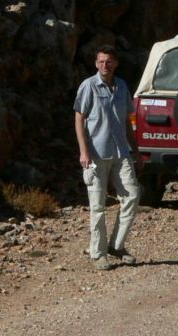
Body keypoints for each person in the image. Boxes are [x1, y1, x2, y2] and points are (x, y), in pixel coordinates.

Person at [74, 45, 140, 270]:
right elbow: (79, 119)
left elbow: (128, 121)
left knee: (132, 196)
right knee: (98, 206)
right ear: (96, 64)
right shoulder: (88, 86)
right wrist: (83, 151)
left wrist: (136, 149)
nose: (105, 65)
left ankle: (117, 245)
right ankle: (98, 253)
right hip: (96, 154)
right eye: (101, 61)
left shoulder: (121, 86)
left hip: (121, 152)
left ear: (116, 63)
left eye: (109, 61)